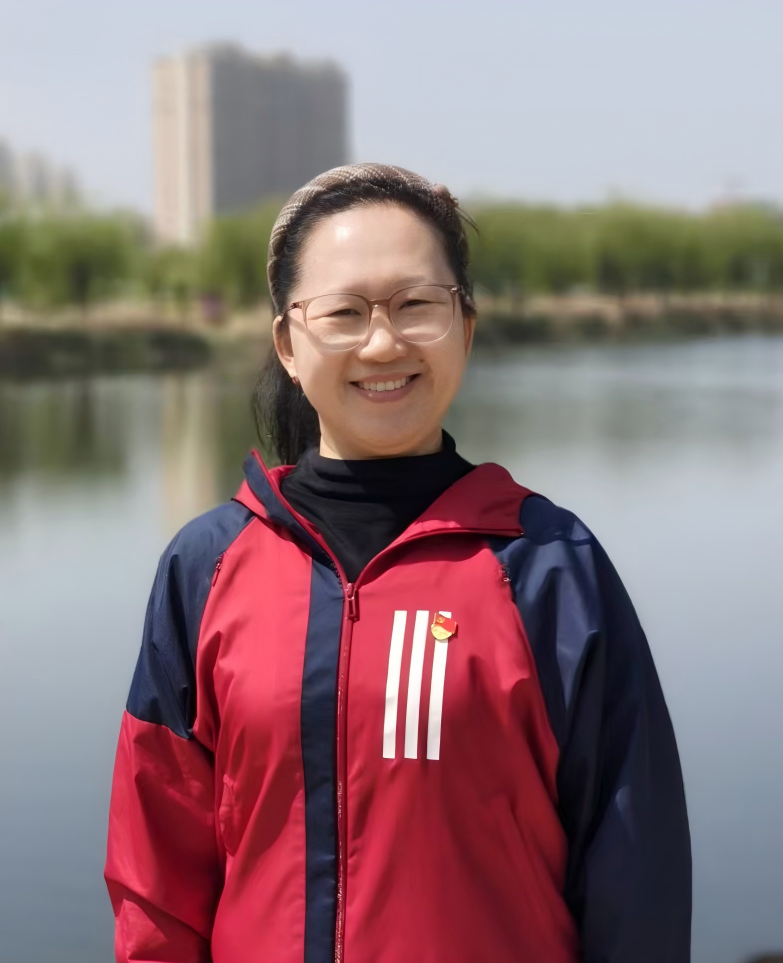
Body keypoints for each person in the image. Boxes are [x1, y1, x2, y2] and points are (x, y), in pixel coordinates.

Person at [105, 163, 691, 963]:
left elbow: (636, 869)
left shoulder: (549, 567)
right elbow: (155, 876)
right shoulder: (206, 568)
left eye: (416, 305)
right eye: (343, 312)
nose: (383, 342)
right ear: (287, 344)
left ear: (465, 328)